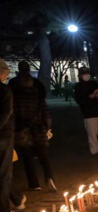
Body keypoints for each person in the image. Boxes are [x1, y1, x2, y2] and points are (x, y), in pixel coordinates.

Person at [11, 61, 55, 192]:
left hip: (21, 127)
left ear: (19, 70)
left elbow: (11, 110)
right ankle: (50, 178)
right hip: (38, 126)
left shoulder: (13, 86)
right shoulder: (37, 86)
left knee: (27, 156)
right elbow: (43, 107)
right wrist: (47, 126)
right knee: (43, 155)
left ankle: (34, 183)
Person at [0, 60, 18, 212]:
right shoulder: (4, 91)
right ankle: (4, 209)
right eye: (5, 73)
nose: (7, 76)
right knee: (4, 173)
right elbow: (6, 112)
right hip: (3, 136)